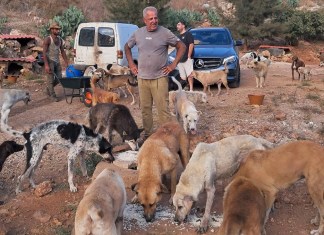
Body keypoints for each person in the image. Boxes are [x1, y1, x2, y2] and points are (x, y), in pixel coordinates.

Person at [125, 6, 186, 140]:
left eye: (155, 18)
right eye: (150, 18)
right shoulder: (138, 33)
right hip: (142, 78)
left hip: (160, 78)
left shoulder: (165, 33)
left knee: (163, 110)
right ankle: (148, 135)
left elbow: (182, 46)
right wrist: (131, 64)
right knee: (145, 110)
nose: (154, 21)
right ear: (144, 20)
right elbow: (127, 47)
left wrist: (173, 64)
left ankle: (167, 137)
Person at [43, 22, 69, 102]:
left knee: (60, 78)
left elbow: (62, 51)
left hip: (57, 61)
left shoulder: (60, 40)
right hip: (50, 61)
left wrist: (67, 63)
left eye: (58, 29)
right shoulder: (48, 39)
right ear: (51, 30)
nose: (58, 30)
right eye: (56, 29)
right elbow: (44, 53)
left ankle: (48, 89)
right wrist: (46, 65)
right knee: (50, 79)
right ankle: (52, 95)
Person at [176, 20, 195, 91]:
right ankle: (184, 88)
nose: (177, 26)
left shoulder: (188, 34)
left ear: (183, 26)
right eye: (177, 25)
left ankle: (191, 89)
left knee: (190, 75)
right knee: (182, 76)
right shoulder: (178, 37)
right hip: (180, 59)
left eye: (178, 24)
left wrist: (189, 56)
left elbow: (191, 44)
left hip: (187, 58)